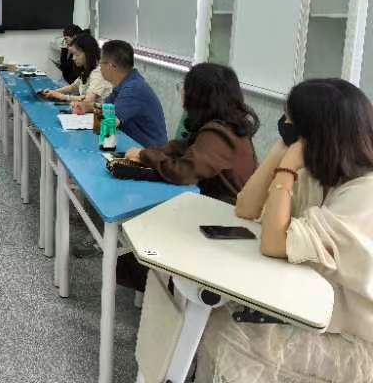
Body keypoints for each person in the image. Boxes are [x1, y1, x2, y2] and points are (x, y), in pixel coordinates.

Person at [194, 79, 373, 382]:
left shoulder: (365, 194)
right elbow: (246, 208)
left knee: (224, 331)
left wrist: (287, 169)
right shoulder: (319, 173)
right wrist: (280, 152)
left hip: (350, 337)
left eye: (291, 121)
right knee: (214, 314)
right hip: (306, 305)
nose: (285, 125)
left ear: (315, 134)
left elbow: (274, 243)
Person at [125, 63, 258, 203]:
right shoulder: (223, 125)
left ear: (199, 95)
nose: (182, 90)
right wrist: (147, 154)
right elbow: (183, 147)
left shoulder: (219, 134)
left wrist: (144, 155)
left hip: (225, 209)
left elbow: (183, 173)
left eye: (186, 86)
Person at [99, 40, 167, 148]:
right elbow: (105, 108)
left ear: (111, 66)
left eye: (101, 62)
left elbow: (109, 122)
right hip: (133, 145)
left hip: (149, 152)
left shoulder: (133, 88)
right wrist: (89, 106)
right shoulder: (124, 84)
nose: (100, 67)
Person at [41, 33, 112, 110]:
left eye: (77, 55)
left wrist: (63, 96)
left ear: (88, 54)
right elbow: (73, 87)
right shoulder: (86, 70)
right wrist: (54, 92)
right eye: (73, 54)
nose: (73, 58)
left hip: (100, 114)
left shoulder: (98, 73)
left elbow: (88, 100)